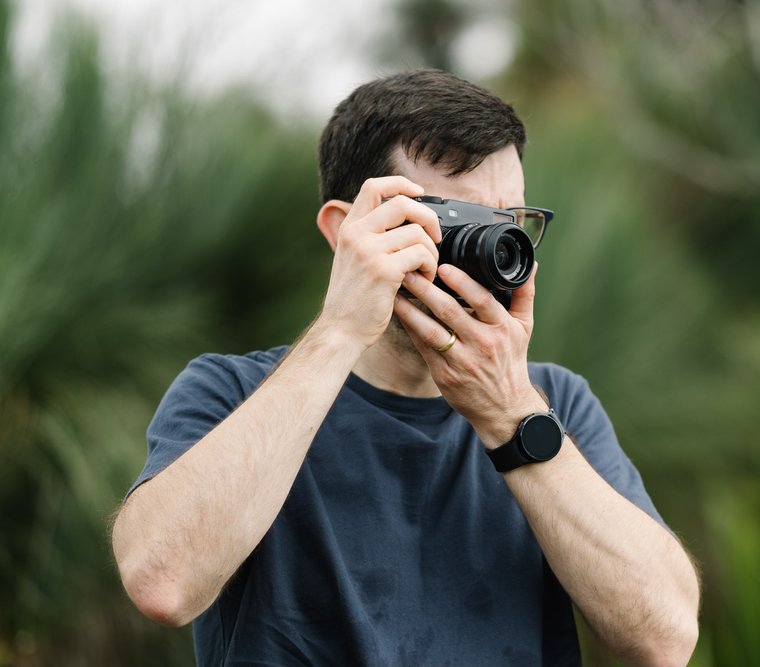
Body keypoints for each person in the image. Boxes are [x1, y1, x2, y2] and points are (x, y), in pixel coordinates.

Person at [112, 69, 700, 666]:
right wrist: (340, 329)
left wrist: (511, 415)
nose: (494, 252)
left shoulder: (554, 407)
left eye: (510, 223)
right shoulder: (233, 393)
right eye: (457, 221)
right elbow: (163, 583)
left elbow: (666, 638)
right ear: (346, 232)